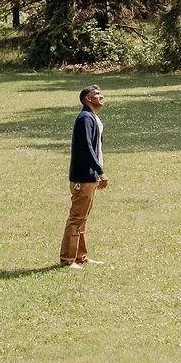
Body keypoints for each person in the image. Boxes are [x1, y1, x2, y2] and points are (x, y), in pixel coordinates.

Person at [60, 85, 108, 268]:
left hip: (90, 176)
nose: (100, 96)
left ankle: (81, 257)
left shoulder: (92, 117)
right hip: (83, 177)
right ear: (87, 99)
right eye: (96, 94)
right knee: (76, 218)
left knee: (82, 218)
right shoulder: (85, 118)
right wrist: (100, 171)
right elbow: (87, 148)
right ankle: (67, 260)